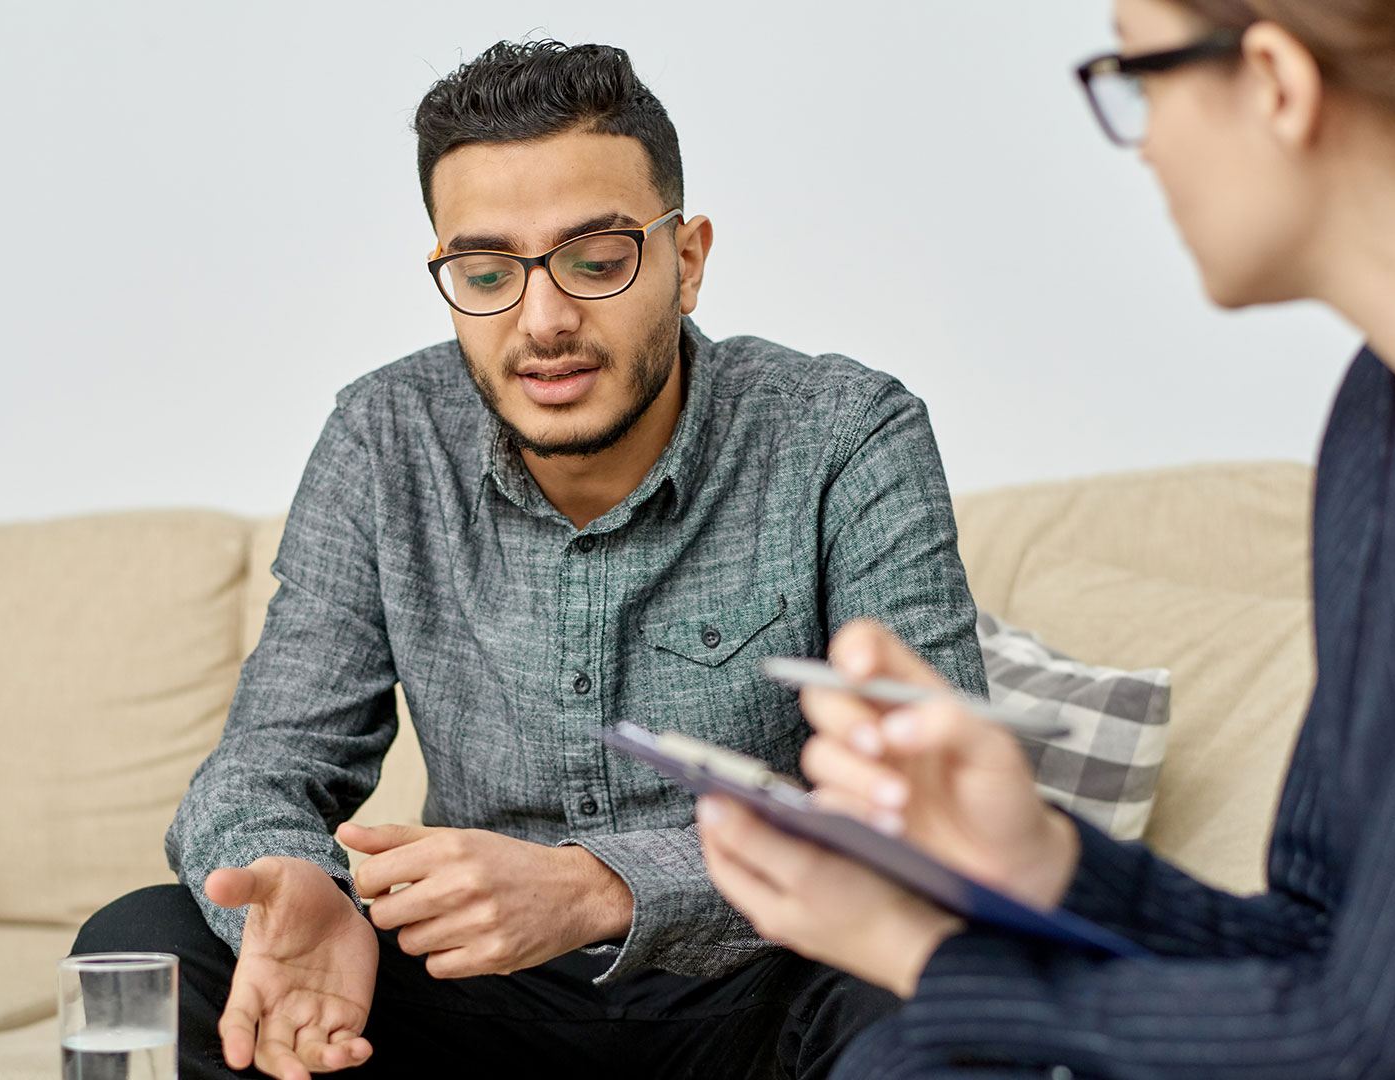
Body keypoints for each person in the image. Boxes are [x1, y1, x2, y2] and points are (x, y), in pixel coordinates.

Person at [697, 0, 1395, 1077]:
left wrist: (917, 950)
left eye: (1140, 78)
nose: (1144, 144)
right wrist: (1042, 861)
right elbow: (1317, 945)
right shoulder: (1383, 405)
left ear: (1275, 80)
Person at [72, 40, 990, 1080]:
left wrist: (604, 885)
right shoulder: (384, 438)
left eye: (598, 259)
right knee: (142, 945)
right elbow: (260, 770)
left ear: (686, 261)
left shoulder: (843, 434)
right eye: (487, 272)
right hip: (471, 1005)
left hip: (766, 989)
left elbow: (934, 815)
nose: (543, 321)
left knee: (948, 976)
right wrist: (298, 877)